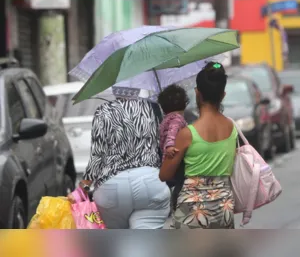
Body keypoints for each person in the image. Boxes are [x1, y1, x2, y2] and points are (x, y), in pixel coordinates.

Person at [69, 98, 171, 229]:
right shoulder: (154, 108)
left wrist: (83, 189)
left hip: (112, 187)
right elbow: (165, 146)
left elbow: (97, 155)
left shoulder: (103, 110)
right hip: (150, 182)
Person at [159, 62, 238, 229]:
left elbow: (164, 174)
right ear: (223, 95)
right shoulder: (232, 129)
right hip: (224, 208)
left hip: (192, 212)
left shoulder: (187, 134)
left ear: (197, 93)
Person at [157, 84, 189, 212]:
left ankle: (175, 202)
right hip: (175, 157)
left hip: (166, 161)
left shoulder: (165, 119)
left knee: (177, 184)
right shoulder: (177, 118)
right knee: (181, 183)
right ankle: (176, 202)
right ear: (185, 103)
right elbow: (172, 132)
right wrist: (170, 146)